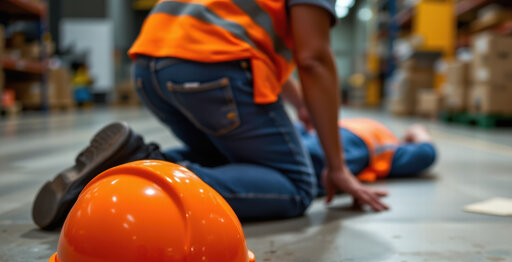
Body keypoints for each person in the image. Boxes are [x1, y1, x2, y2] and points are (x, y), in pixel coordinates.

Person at [32, 0, 388, 229]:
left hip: (151, 65)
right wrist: (338, 167)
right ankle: (143, 175)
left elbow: (247, 31)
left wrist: (298, 103)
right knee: (296, 186)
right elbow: (314, 58)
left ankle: (116, 171)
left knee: (216, 156)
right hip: (212, 68)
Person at [298, 119, 436, 200]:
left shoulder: (390, 146)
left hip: (324, 136)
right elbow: (427, 152)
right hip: (351, 141)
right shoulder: (390, 146)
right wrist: (419, 130)